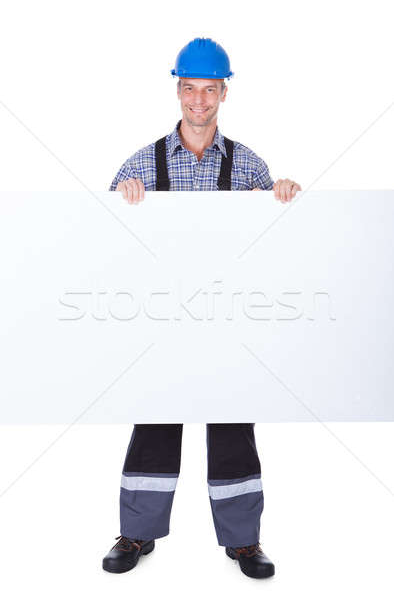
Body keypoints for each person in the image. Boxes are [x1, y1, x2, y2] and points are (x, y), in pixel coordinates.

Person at [103, 37, 301, 579]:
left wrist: (284, 194)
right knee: (156, 423)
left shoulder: (248, 165)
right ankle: (137, 533)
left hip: (229, 321)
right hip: (163, 321)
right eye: (189, 89)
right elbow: (96, 235)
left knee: (234, 425)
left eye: (208, 90)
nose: (197, 101)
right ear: (178, 89)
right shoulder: (142, 162)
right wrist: (120, 199)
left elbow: (283, 239)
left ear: (223, 93)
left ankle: (244, 541)